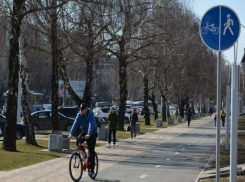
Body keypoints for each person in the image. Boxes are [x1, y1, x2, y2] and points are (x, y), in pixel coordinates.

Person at [68, 103, 98, 176]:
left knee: (91, 150)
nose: (81, 112)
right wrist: (71, 134)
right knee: (78, 141)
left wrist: (89, 133)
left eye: (82, 110)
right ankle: (83, 154)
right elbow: (75, 123)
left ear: (86, 109)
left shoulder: (90, 115)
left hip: (92, 133)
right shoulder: (79, 115)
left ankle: (91, 169)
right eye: (80, 110)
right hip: (84, 132)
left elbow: (91, 124)